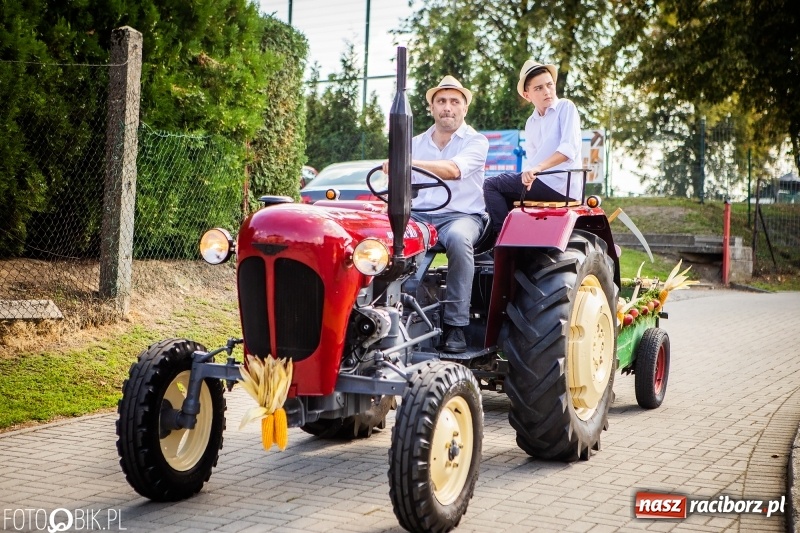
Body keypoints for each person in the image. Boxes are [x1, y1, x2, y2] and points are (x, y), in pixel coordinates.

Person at [383, 75, 489, 353]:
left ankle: (456, 326)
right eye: (441, 101)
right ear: (431, 108)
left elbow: (453, 170)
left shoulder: (476, 141)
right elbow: (395, 185)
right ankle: (387, 317)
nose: (447, 107)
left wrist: (404, 162)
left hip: (461, 216)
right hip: (419, 216)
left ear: (465, 108)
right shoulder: (414, 142)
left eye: (454, 101)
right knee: (385, 238)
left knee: (459, 240)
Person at [483, 60, 583, 236]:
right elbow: (532, 160)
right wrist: (529, 173)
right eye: (539, 88)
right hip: (541, 182)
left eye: (549, 85)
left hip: (561, 185)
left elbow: (569, 150)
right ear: (527, 95)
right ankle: (515, 240)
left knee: (491, 185)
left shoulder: (565, 107)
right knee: (495, 198)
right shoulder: (531, 122)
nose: (547, 91)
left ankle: (500, 241)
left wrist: (537, 169)